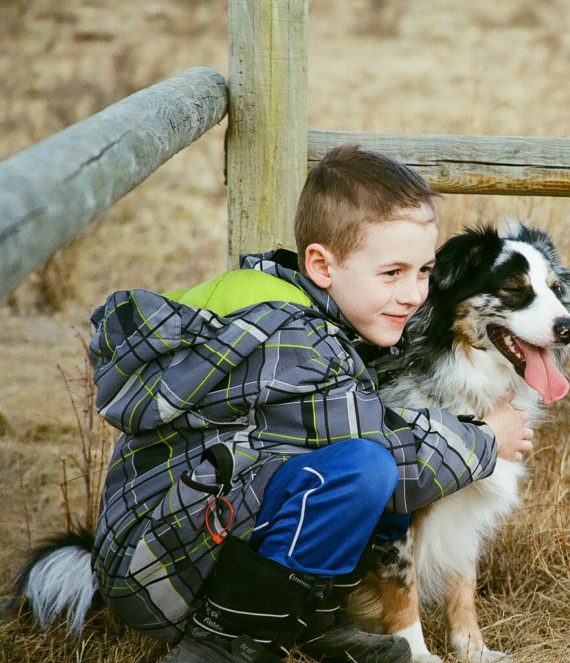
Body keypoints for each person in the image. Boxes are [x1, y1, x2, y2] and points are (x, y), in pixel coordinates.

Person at [86, 144, 534, 663]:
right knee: (365, 467)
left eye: (424, 271)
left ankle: (311, 621)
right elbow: (398, 464)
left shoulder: (266, 295)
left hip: (156, 537)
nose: (414, 294)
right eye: (392, 273)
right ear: (322, 265)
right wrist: (484, 438)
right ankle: (221, 645)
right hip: (164, 569)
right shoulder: (301, 346)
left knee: (347, 456)